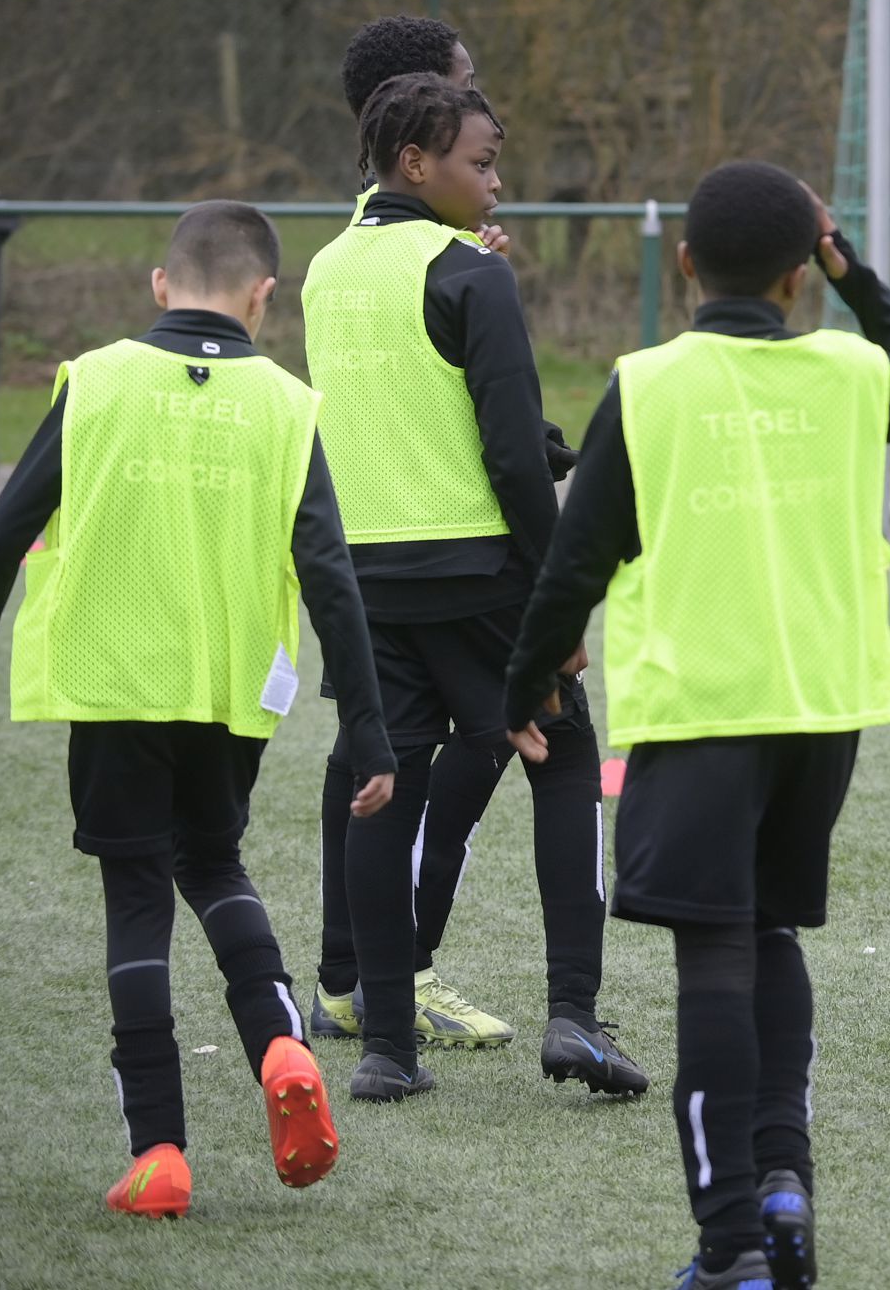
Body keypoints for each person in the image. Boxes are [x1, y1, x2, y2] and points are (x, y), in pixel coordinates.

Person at [503, 160, 890, 1289]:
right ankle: (780, 1182)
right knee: (769, 936)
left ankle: (729, 1247)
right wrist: (854, 271)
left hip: (704, 708)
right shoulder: (852, 373)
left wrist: (519, 690)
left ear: (683, 263)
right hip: (824, 706)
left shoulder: (650, 383)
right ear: (803, 275)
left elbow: (576, 563)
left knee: (716, 952)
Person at [0, 201, 395, 1215]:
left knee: (136, 894)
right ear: (265, 297)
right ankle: (282, 1043)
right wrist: (368, 724)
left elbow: (3, 534)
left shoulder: (98, 381)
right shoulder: (286, 405)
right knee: (213, 864)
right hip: (227, 692)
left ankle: (159, 1151)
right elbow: (330, 574)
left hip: (115, 681)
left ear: (160, 287)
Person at [303, 72, 644, 1100]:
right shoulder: (467, 275)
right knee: (566, 757)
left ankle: (385, 1049)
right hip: (477, 579)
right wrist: (558, 602)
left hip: (366, 583)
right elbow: (511, 457)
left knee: (383, 791)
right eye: (481, 162)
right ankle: (575, 1016)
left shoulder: (324, 268)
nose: (498, 184)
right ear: (418, 163)